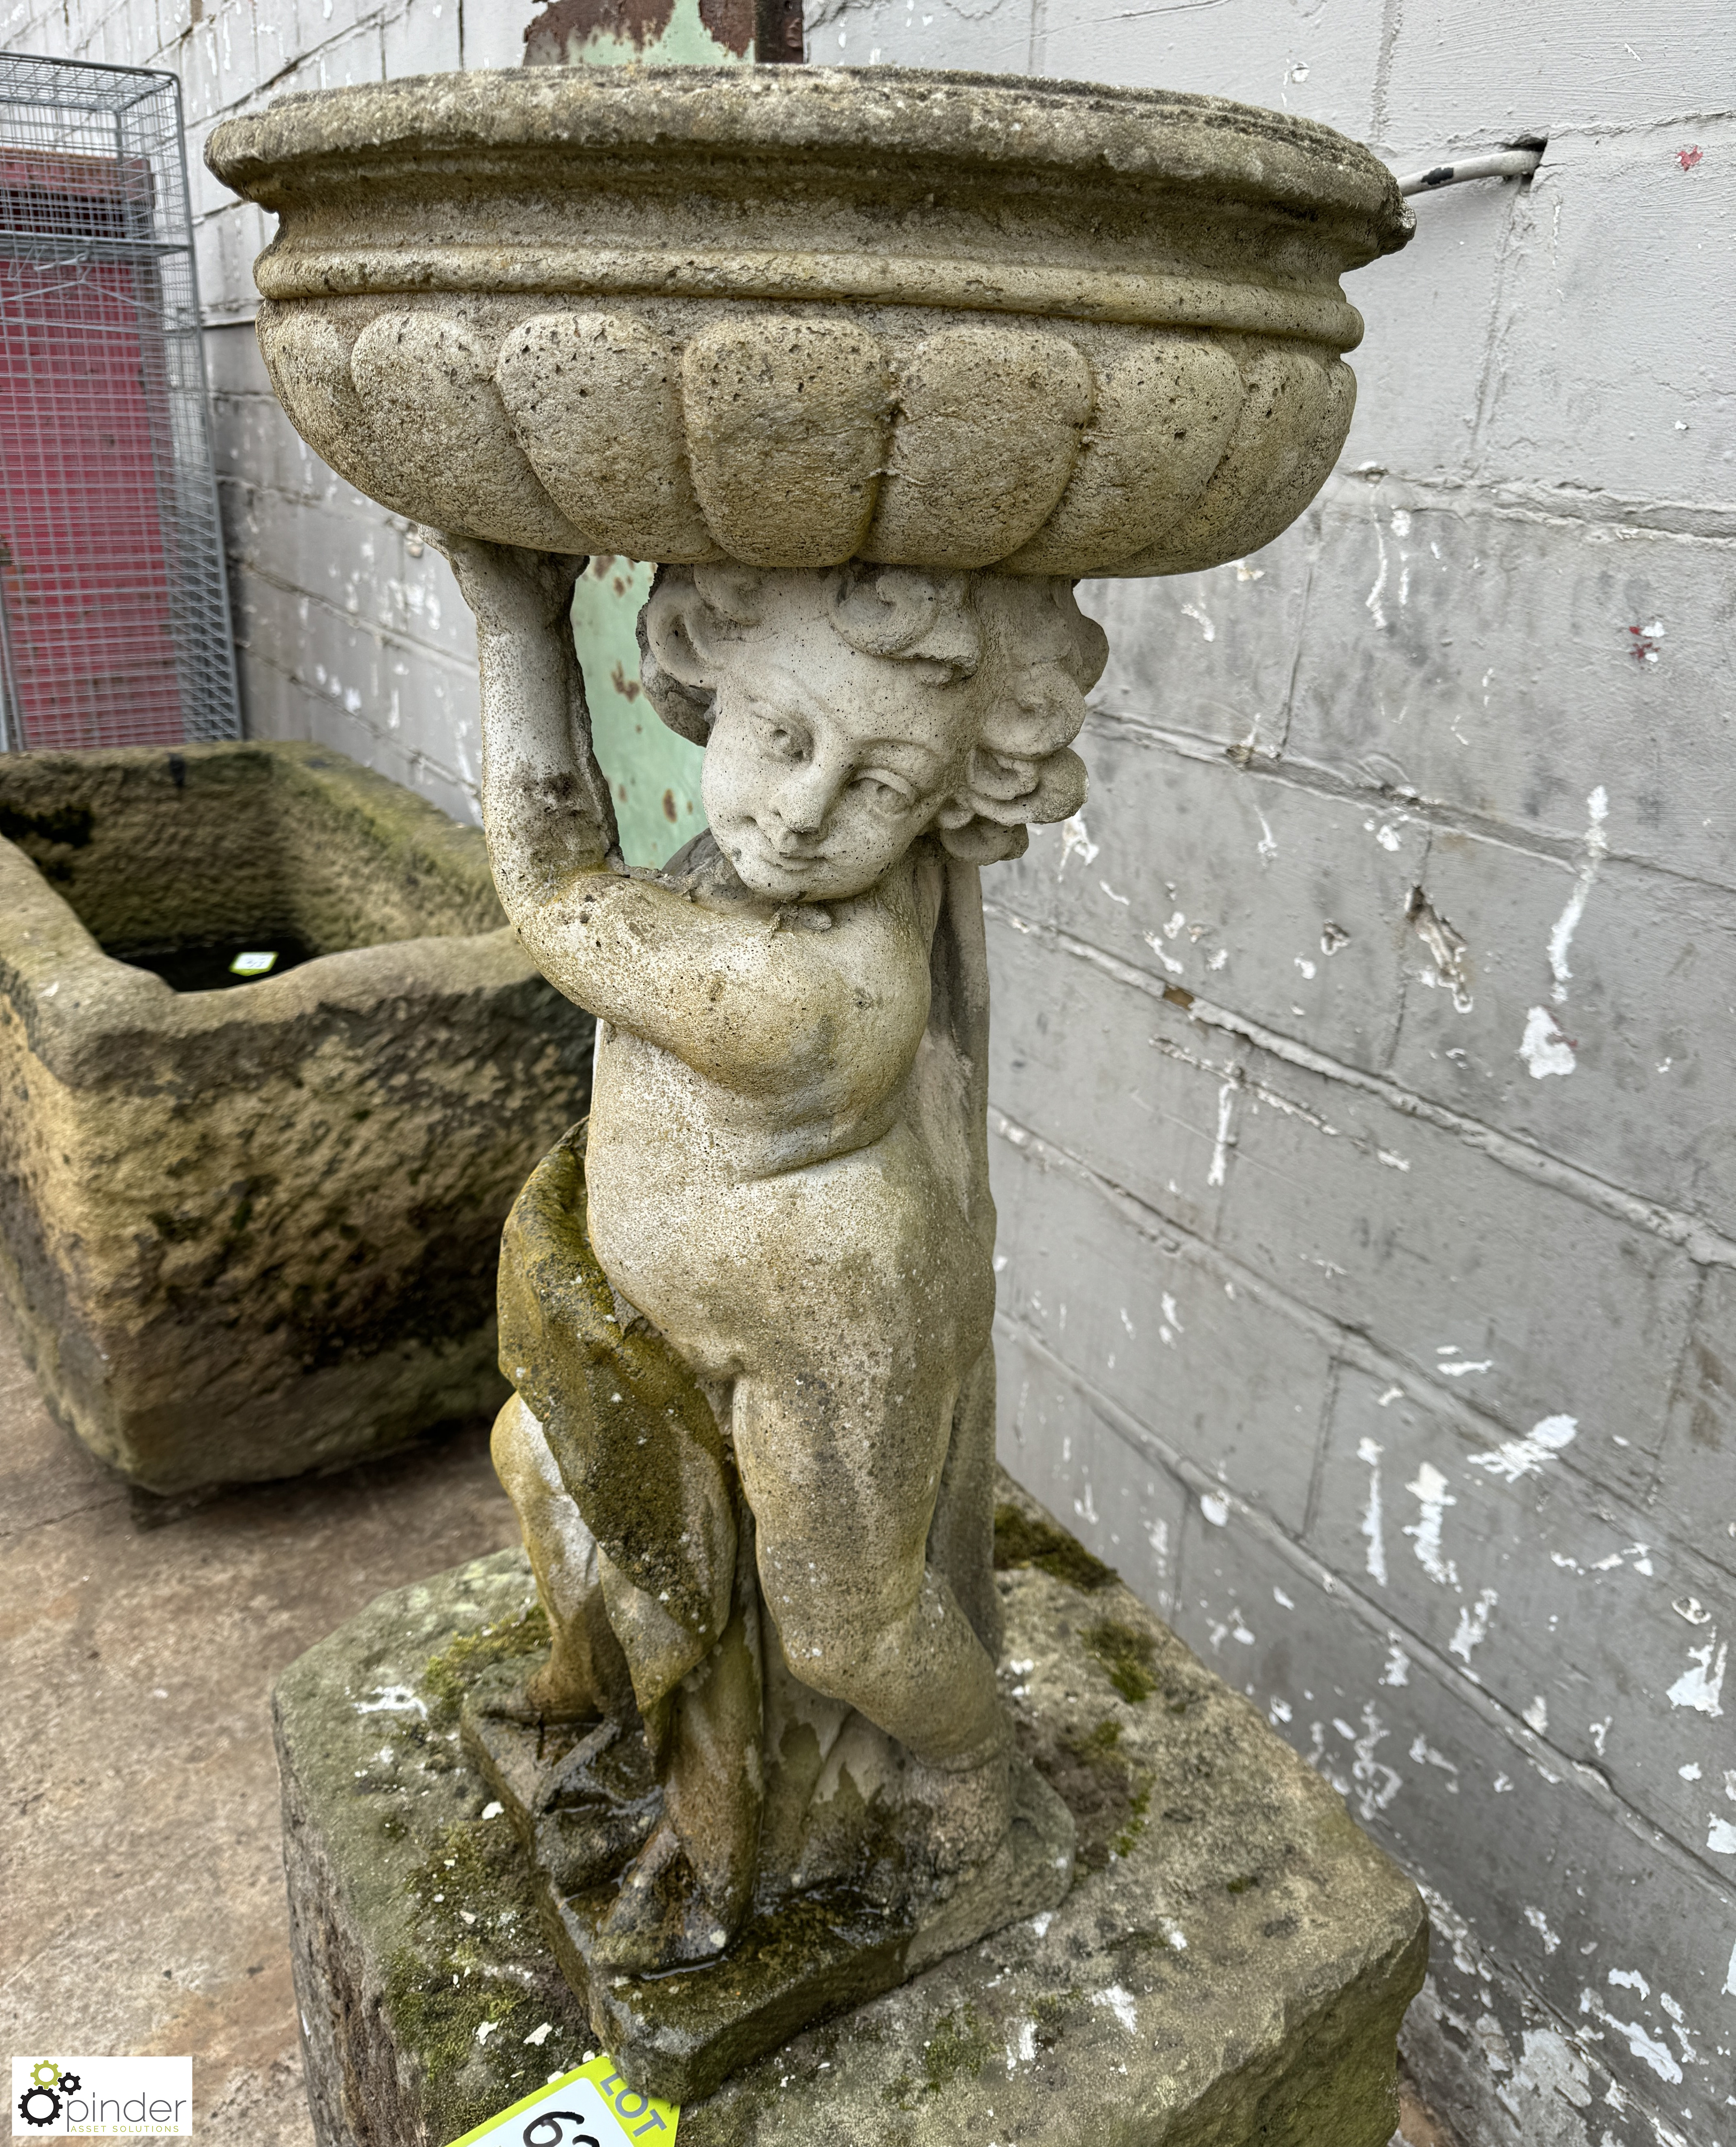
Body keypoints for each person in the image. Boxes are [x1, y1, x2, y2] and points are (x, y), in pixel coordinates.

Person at [446, 541, 1105, 1970]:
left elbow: (550, 877)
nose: (803, 814)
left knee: (846, 1629)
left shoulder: (789, 991)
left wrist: (512, 616)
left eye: (877, 786)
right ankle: (626, 1700)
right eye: (783, 736)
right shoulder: (761, 882)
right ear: (702, 679)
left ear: (944, 804)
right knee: (533, 1457)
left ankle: (966, 1765)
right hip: (671, 1308)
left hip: (827, 1325)